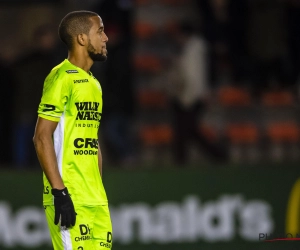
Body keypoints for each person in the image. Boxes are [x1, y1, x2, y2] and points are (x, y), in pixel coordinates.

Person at [33, 11, 112, 249]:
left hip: (95, 198)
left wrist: (98, 187)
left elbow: (91, 139)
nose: (106, 37)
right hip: (69, 195)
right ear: (81, 38)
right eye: (100, 31)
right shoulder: (60, 77)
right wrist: (60, 193)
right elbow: (41, 136)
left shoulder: (94, 84)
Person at [167, 22, 228, 165]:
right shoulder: (194, 49)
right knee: (187, 130)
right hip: (190, 96)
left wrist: (186, 98)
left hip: (191, 97)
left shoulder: (193, 51)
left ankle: (216, 155)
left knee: (187, 130)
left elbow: (193, 77)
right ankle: (215, 155)